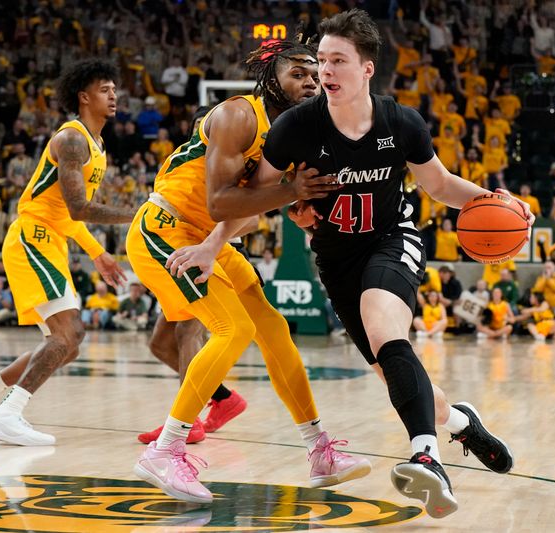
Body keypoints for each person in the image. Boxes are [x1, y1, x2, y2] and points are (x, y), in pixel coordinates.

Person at [194, 11, 531, 518]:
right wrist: (213, 243)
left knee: (382, 326)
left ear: (366, 69)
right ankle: (461, 424)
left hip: (392, 240)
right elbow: (256, 197)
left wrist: (496, 199)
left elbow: (438, 185)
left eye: (337, 62)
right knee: (396, 371)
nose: (325, 72)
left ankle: (427, 455)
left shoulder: (401, 123)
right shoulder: (295, 127)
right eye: (322, 61)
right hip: (336, 259)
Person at [125, 37, 371, 504]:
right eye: (297, 72)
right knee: (231, 329)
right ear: (270, 78)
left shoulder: (299, 134)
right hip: (166, 229)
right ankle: (165, 450)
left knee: (274, 330)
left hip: (210, 243)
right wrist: (289, 190)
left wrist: (302, 204)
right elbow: (220, 202)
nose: (310, 81)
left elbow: (256, 210)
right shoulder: (239, 115)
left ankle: (319, 450)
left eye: (314, 74)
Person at [0, 59, 133, 444]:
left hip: (51, 240)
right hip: (32, 238)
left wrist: (98, 253)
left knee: (70, 343)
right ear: (84, 97)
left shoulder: (97, 146)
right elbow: (79, 208)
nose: (113, 94)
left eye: (115, 88)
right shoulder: (72, 140)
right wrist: (139, 214)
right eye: (104, 89)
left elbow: (67, 214)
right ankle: (7, 413)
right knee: (67, 335)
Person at [137, 105, 248, 445]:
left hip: (213, 254)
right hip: (181, 248)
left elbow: (253, 216)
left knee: (189, 333)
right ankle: (224, 398)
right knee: (160, 343)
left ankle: (188, 421)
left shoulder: (234, 162)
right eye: (205, 126)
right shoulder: (189, 160)